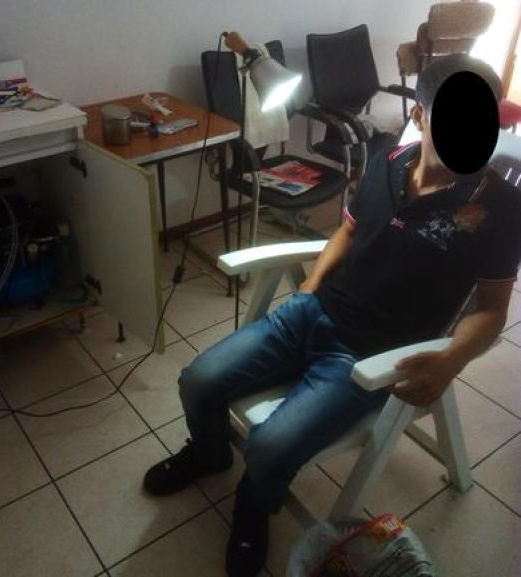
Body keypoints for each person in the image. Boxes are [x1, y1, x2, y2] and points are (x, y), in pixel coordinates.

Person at [143, 54, 521, 577]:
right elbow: (348, 229)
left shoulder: (500, 207)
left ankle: (253, 508)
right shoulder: (387, 158)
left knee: (268, 449)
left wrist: (451, 358)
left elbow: (493, 309)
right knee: (198, 381)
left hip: (367, 356)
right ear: (419, 116)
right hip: (313, 312)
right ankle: (209, 455)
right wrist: (311, 287)